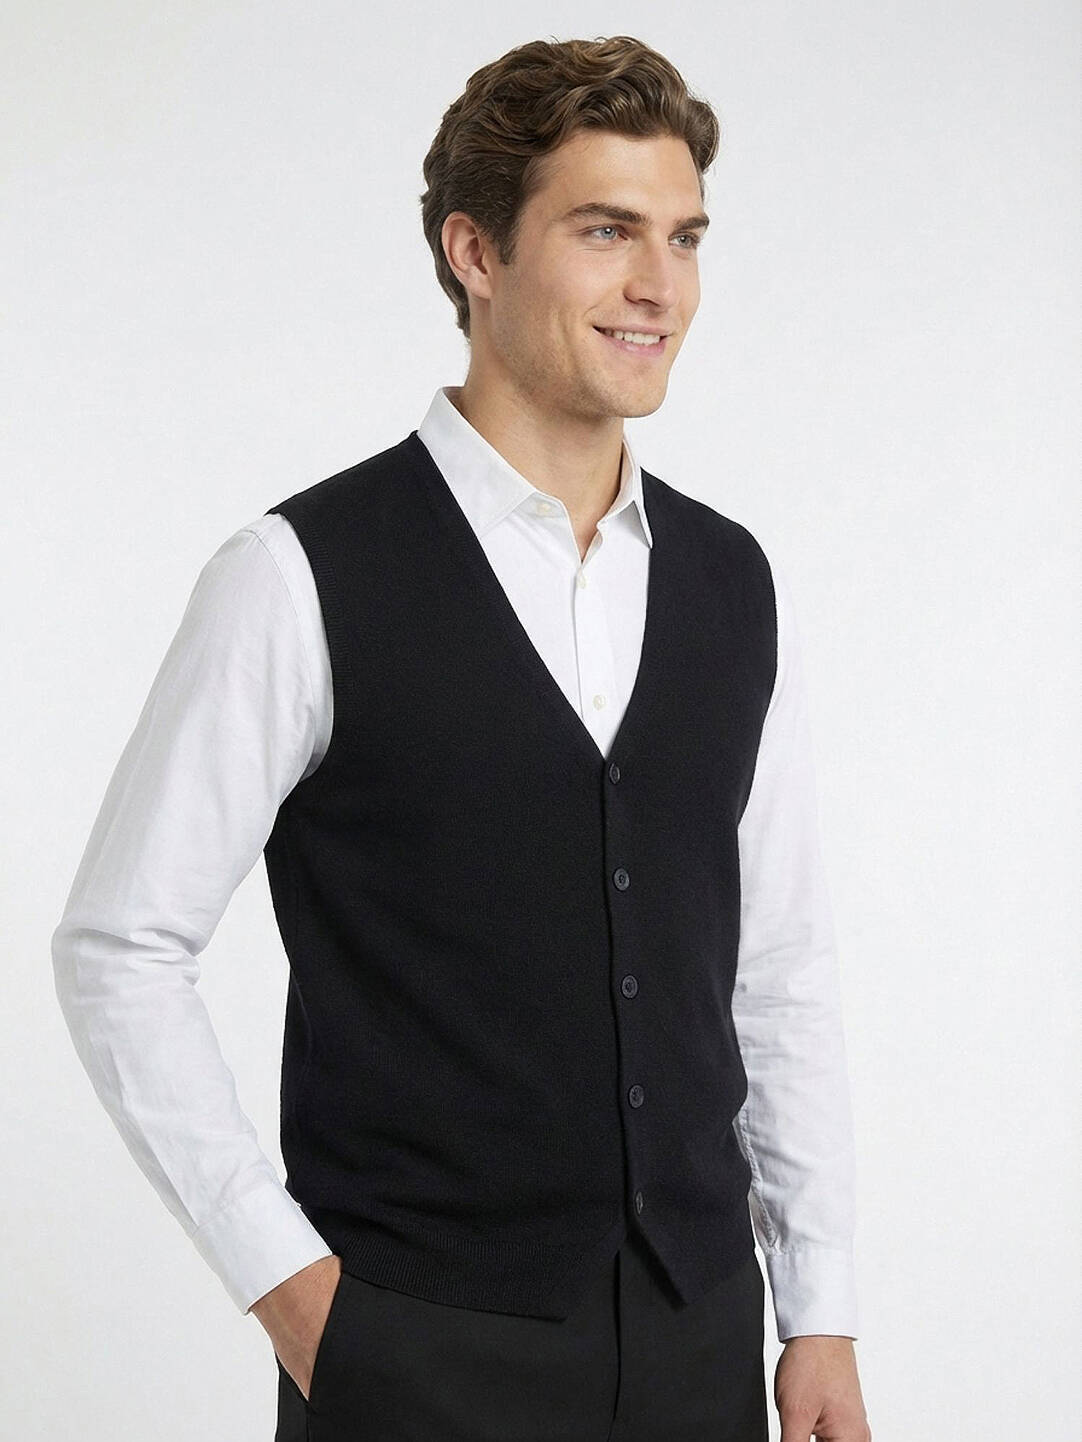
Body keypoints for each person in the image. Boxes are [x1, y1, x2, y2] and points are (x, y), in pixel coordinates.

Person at [52, 34, 872, 1442]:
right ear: (474, 251)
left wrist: (819, 1312)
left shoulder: (732, 581)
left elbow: (775, 967)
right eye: (604, 231)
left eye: (682, 237)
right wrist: (297, 1296)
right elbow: (119, 946)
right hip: (412, 1350)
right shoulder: (298, 574)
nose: (659, 285)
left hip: (699, 1347)